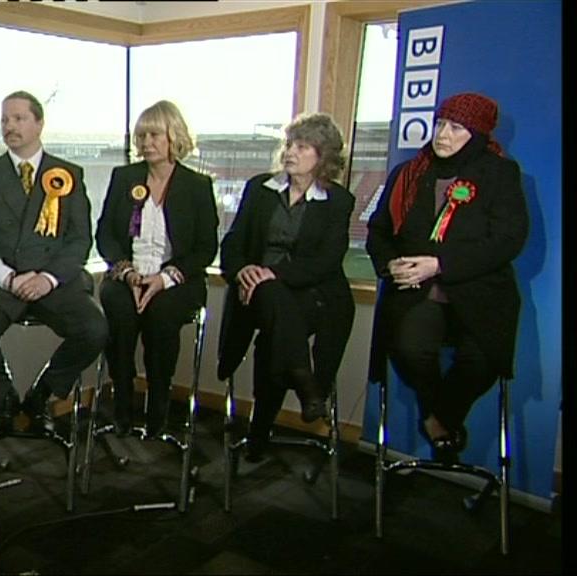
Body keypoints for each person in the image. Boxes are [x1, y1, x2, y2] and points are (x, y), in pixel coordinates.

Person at [366, 92, 528, 463]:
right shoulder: (408, 174)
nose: (443, 134)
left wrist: (439, 264)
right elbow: (378, 231)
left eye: (456, 128)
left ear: (477, 134)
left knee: (483, 361)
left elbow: (508, 240)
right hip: (416, 291)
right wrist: (389, 264)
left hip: (481, 294)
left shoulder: (500, 173)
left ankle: (439, 419)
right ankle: (437, 419)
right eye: (440, 124)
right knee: (408, 348)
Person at [0, 90, 108, 437]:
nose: (9, 126)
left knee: (94, 329)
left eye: (19, 118)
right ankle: (4, 397)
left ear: (39, 123)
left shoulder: (68, 175)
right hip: (2, 281)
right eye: (5, 120)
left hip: (52, 280)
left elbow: (79, 240)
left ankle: (42, 396)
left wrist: (48, 278)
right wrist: (7, 277)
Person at [216, 112, 355, 461]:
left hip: (314, 297)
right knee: (273, 306)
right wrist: (245, 269)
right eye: (290, 144)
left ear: (322, 157)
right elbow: (232, 243)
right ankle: (306, 384)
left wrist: (272, 274)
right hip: (259, 293)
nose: (291, 152)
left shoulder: (337, 200)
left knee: (275, 337)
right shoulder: (261, 189)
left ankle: (259, 430)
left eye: (303, 146)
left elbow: (326, 261)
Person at [95, 101, 218, 437]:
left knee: (160, 316)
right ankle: (122, 400)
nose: (146, 142)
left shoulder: (197, 186)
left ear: (173, 137)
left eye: (154, 134)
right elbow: (105, 233)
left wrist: (163, 279)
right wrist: (129, 274)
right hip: (127, 275)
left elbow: (206, 248)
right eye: (141, 135)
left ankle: (158, 408)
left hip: (177, 281)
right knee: (118, 311)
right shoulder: (124, 178)